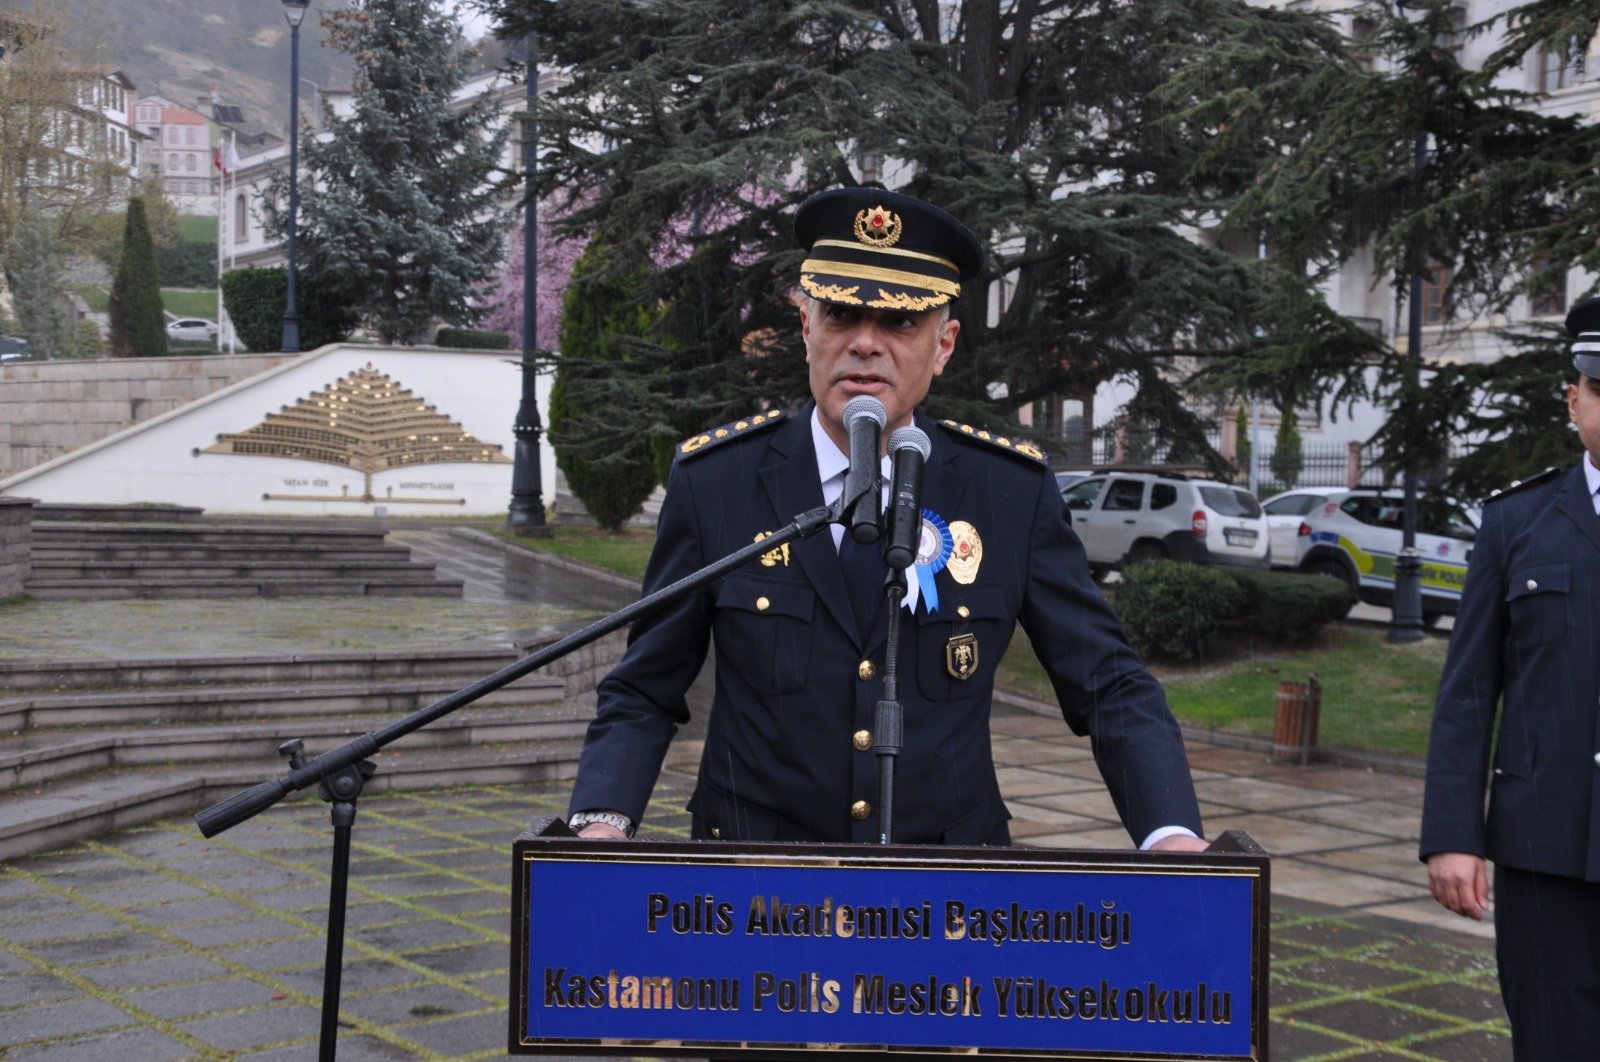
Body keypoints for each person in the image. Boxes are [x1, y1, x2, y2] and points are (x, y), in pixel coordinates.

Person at [566, 187, 1206, 854]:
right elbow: (644, 687)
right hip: (757, 889)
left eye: (900, 322)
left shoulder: (1008, 492)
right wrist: (602, 820)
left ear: (944, 343)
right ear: (807, 326)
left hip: (949, 898)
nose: (866, 345)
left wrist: (1171, 834)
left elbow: (1109, 684)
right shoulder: (718, 483)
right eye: (842, 314)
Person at [1420, 293, 1600, 1059]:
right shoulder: (1515, 524)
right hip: (1544, 856)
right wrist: (1452, 835)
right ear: (1575, 398)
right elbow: (1467, 690)